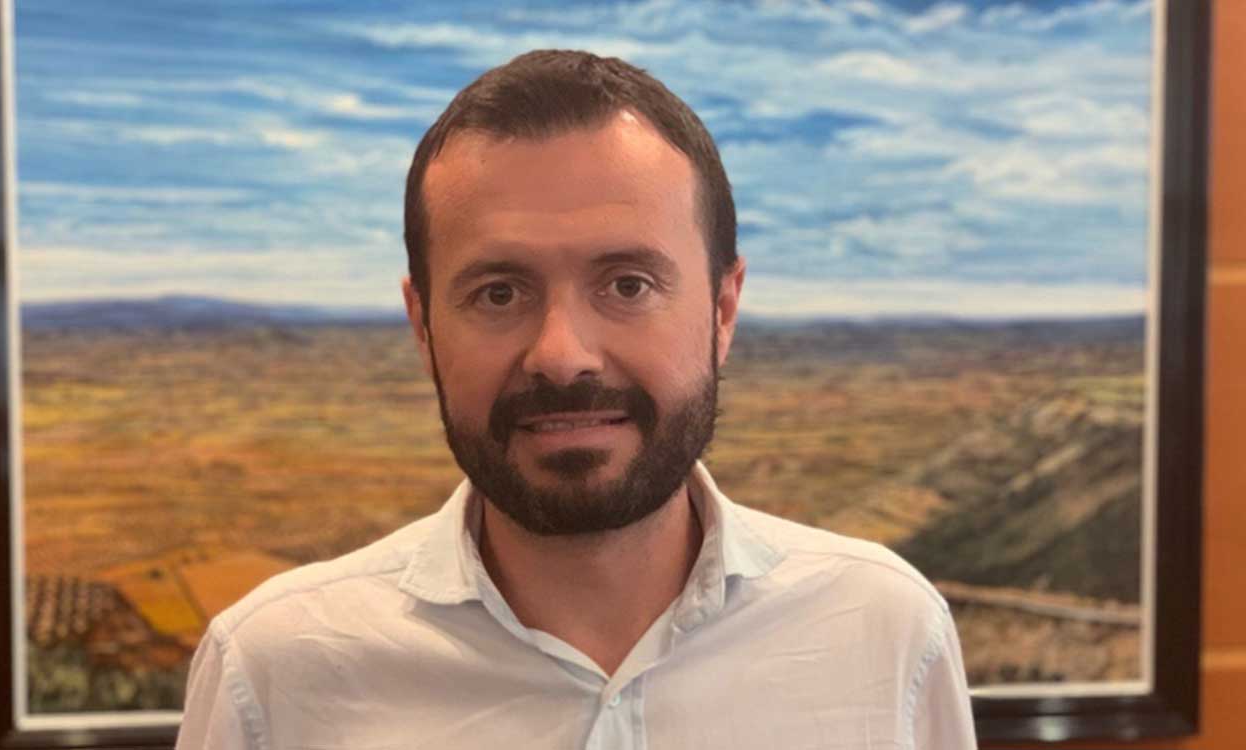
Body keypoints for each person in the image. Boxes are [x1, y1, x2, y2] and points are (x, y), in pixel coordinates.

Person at [176, 49, 977, 749]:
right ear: (422, 324)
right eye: (499, 293)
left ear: (722, 310)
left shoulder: (885, 633)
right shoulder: (277, 672)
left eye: (627, 285)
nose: (561, 355)